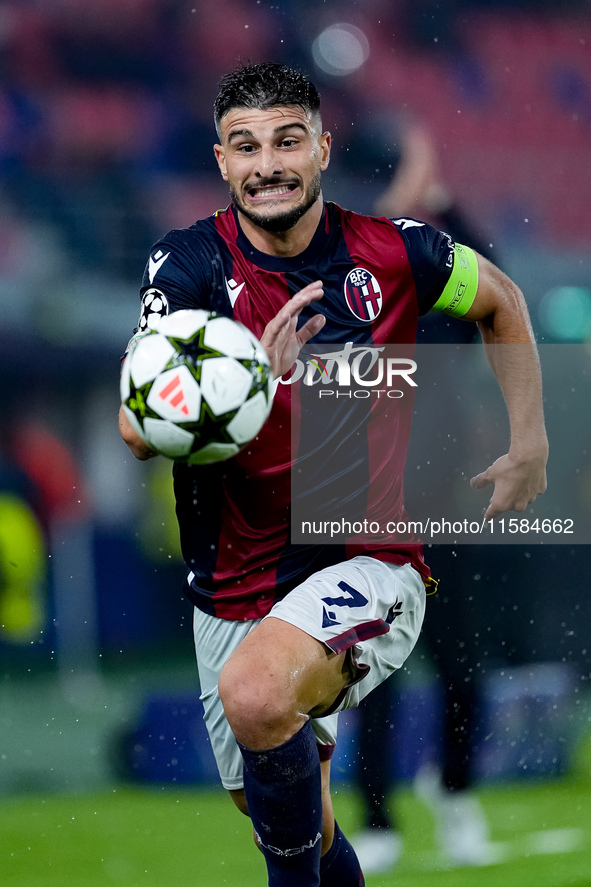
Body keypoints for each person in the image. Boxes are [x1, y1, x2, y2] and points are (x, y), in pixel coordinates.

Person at [118, 62, 548, 887]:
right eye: (245, 146)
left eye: (286, 141)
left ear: (321, 148)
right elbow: (137, 429)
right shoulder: (188, 267)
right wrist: (245, 375)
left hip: (368, 557)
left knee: (255, 692)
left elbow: (501, 299)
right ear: (221, 161)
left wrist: (527, 441)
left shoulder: (392, 252)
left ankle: (439, 800)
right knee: (288, 822)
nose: (267, 164)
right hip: (231, 584)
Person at [351, 120, 506, 873]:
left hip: (444, 518)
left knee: (461, 670)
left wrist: (439, 194)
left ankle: (454, 796)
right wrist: (408, 186)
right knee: (369, 674)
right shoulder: (364, 319)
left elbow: (496, 276)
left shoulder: (445, 324)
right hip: (369, 520)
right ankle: (376, 817)